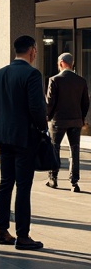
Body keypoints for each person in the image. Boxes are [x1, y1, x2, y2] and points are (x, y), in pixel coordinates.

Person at [0, 35, 49, 250]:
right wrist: (43, 128)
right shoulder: (32, 74)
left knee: (6, 183)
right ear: (32, 50)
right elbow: (36, 107)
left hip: (3, 136)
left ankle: (3, 231)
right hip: (25, 137)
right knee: (23, 186)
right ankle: (23, 235)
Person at [45, 52, 89, 191]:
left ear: (62, 63)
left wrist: (48, 116)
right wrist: (81, 118)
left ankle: (53, 178)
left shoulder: (54, 80)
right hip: (75, 120)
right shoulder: (81, 81)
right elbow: (85, 102)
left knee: (54, 148)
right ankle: (74, 181)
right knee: (74, 149)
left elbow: (50, 102)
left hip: (58, 120)